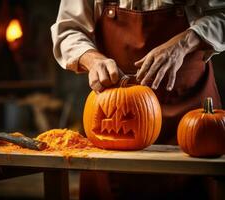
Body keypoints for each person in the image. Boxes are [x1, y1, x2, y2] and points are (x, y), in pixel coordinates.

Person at [51, 0, 225, 199]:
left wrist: (184, 43)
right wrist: (92, 59)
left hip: (188, 110)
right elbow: (68, 29)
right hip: (114, 106)